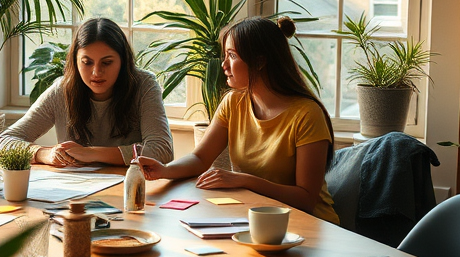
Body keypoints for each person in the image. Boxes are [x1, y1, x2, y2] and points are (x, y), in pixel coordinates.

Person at [138, 16, 339, 223]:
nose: (223, 65)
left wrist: (244, 181)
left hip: (310, 223)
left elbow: (306, 199)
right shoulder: (233, 103)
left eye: (232, 56)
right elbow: (200, 159)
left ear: (260, 61)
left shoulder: (307, 114)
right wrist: (165, 170)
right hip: (257, 216)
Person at [0, 17, 174, 166]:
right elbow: (3, 142)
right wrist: (44, 154)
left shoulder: (144, 85)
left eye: (107, 62)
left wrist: (91, 153)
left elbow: (162, 150)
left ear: (123, 61)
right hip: (74, 194)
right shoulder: (62, 90)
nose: (96, 72)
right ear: (75, 61)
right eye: (87, 62)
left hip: (132, 192)